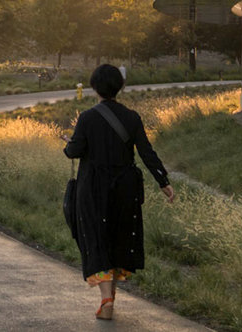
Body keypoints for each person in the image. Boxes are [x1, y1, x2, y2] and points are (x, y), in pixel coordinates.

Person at [64, 63, 173, 322]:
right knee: (117, 236)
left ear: (94, 87)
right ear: (120, 88)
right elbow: (147, 152)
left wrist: (68, 146)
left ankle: (106, 300)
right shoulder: (132, 117)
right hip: (125, 187)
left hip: (94, 187)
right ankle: (110, 298)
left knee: (97, 237)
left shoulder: (88, 117)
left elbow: (74, 151)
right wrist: (163, 181)